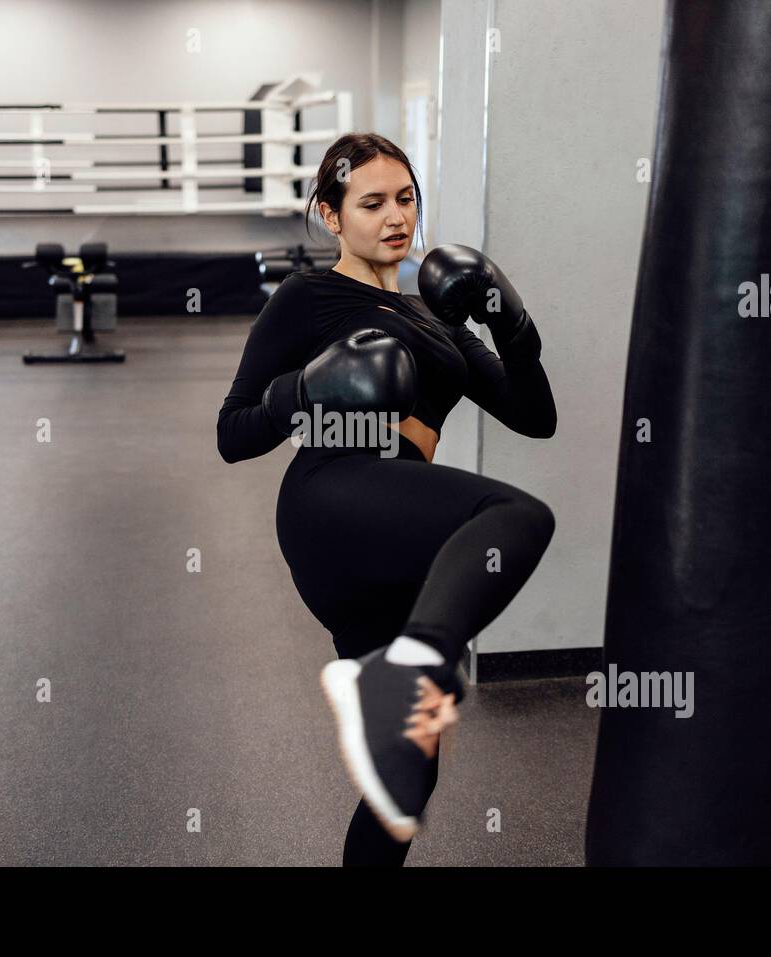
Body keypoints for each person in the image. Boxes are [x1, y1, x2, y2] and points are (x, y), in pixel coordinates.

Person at [216, 132, 557, 866]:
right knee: (516, 516)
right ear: (332, 216)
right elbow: (232, 433)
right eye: (371, 203)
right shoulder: (309, 297)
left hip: (400, 529)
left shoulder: (437, 316)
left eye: (406, 199)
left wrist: (511, 321)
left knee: (408, 772)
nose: (395, 217)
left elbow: (536, 416)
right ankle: (420, 662)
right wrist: (302, 390)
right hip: (332, 496)